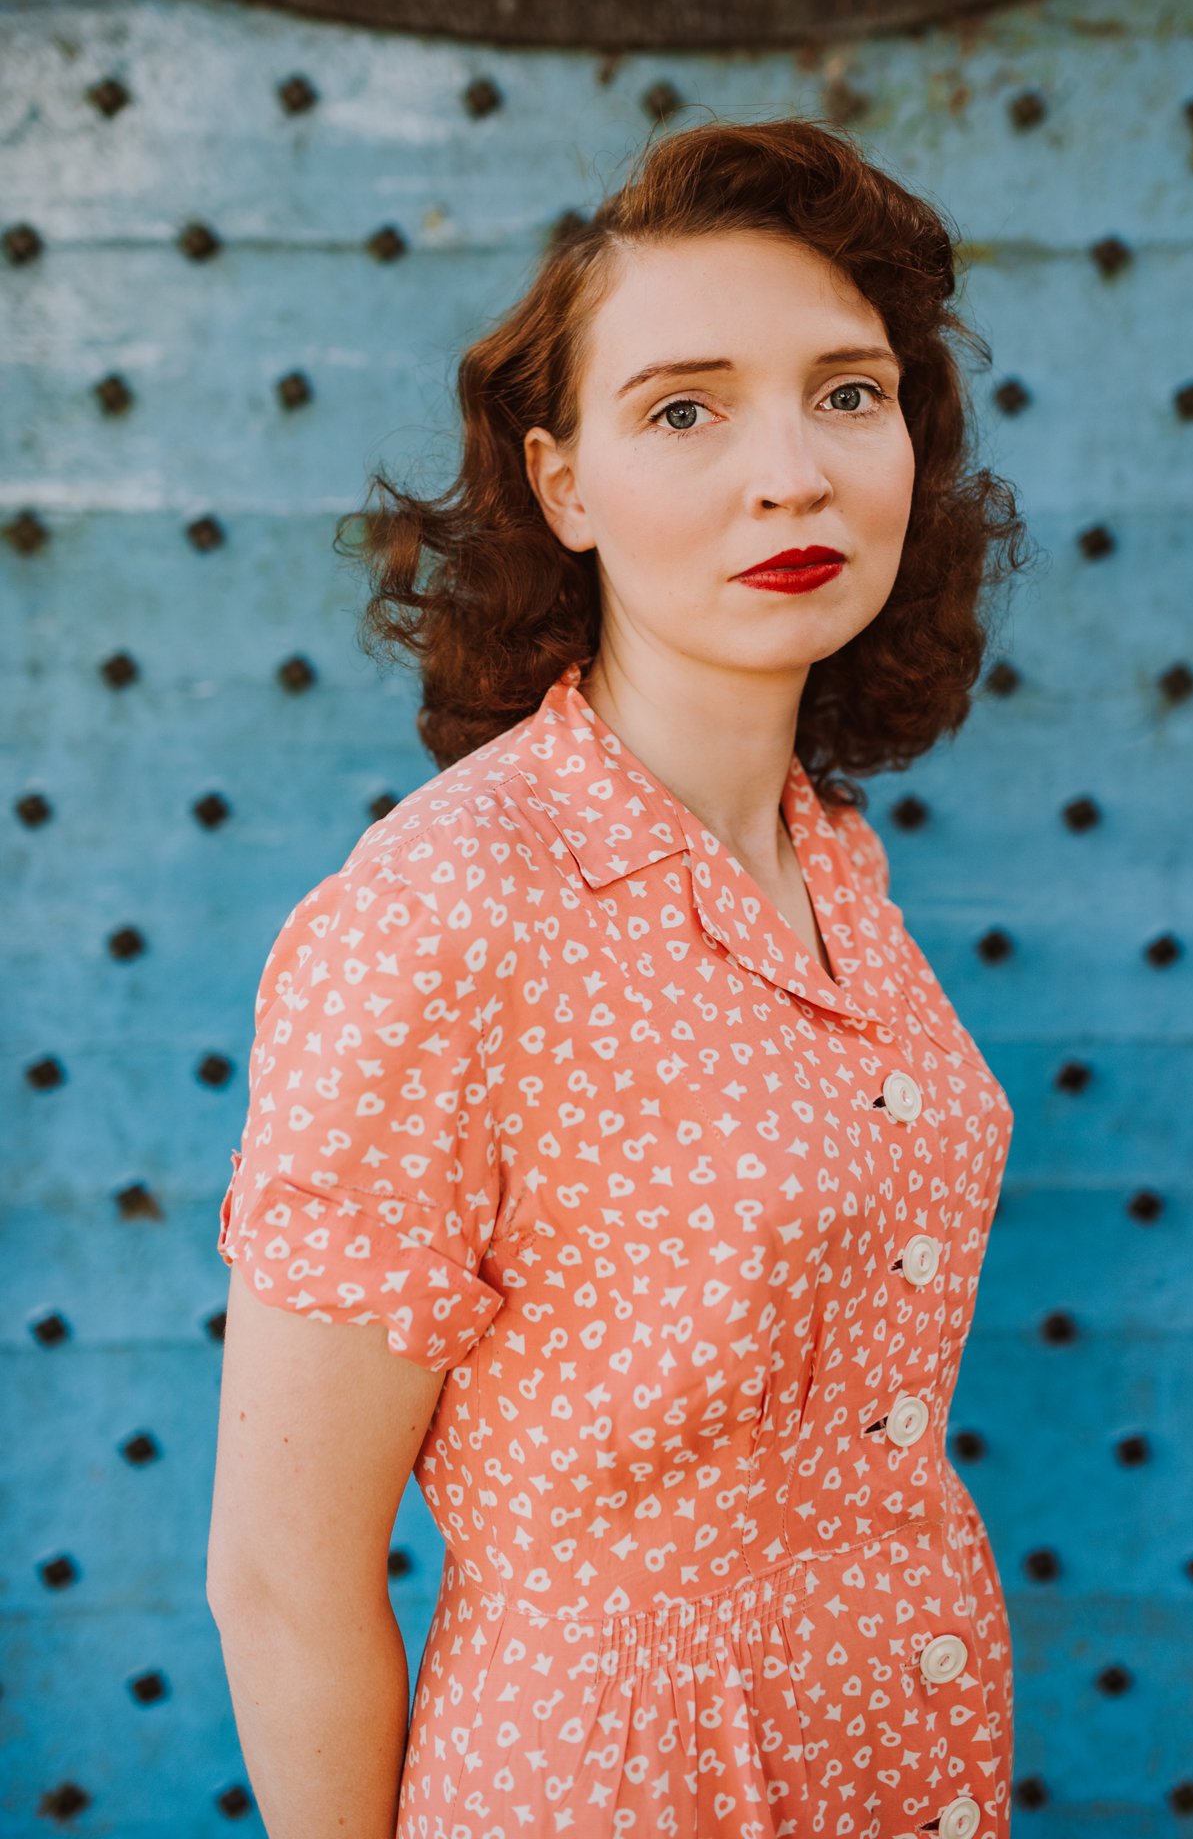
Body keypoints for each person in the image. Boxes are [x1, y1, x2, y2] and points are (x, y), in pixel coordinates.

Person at [207, 114, 1033, 1839]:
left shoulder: (828, 855)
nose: (791, 472)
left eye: (849, 392)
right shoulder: (451, 909)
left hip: (899, 1762)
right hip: (621, 1784)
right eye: (684, 410)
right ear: (561, 483)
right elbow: (280, 1575)